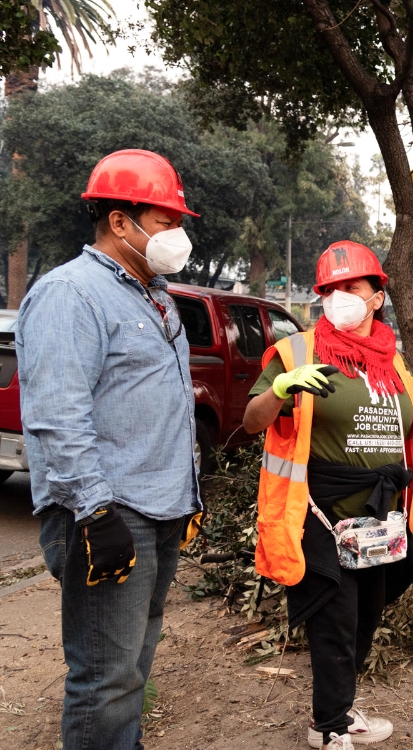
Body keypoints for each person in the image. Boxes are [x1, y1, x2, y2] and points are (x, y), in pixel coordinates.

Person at [243, 242, 413, 750]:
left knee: (366, 613)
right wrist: (280, 390)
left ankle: (341, 708)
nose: (339, 297)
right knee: (335, 617)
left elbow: (405, 428)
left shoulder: (393, 364)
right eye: (330, 289)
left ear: (377, 297)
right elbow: (252, 420)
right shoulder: (297, 353)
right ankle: (329, 728)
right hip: (320, 511)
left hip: (380, 517)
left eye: (351, 287)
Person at [20, 149, 204, 749]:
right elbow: (57, 418)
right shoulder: (72, 294)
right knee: (105, 675)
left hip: (158, 509)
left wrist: (187, 492)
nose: (176, 235)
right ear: (120, 222)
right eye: (165, 220)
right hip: (109, 511)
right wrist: (95, 512)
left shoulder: (154, 295)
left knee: (134, 661)